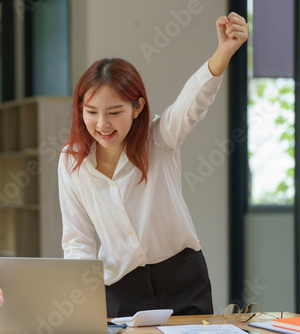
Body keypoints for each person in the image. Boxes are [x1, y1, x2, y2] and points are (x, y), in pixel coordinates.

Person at [58, 12, 248, 317]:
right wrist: (79, 301)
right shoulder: (72, 161)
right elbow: (77, 239)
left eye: (114, 111)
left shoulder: (159, 138)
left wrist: (223, 52)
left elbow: (192, 103)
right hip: (119, 287)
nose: (102, 123)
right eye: (91, 111)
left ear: (138, 107)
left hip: (183, 278)